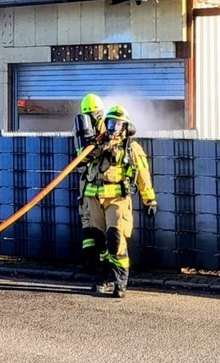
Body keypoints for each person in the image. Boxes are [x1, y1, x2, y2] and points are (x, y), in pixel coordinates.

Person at [81, 104, 156, 298]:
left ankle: (119, 281)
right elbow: (81, 163)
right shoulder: (95, 146)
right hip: (94, 199)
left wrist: (150, 200)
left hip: (117, 200)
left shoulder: (132, 148)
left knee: (115, 240)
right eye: (111, 123)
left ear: (126, 127)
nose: (114, 128)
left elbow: (143, 176)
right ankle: (104, 278)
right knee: (99, 242)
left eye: (119, 124)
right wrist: (91, 146)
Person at [74, 93, 109, 285]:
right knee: (93, 218)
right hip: (90, 177)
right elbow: (87, 154)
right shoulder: (85, 128)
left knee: (88, 218)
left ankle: (92, 259)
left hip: (88, 177)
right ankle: (94, 260)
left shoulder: (81, 126)